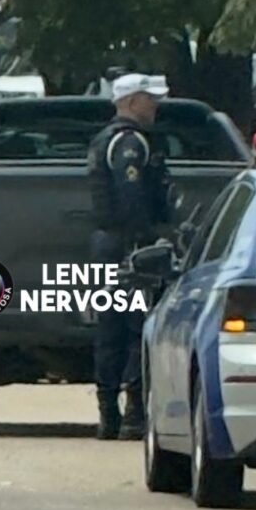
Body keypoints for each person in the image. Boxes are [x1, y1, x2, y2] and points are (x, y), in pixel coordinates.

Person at [87, 73, 174, 440]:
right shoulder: (129, 143)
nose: (155, 105)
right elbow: (132, 197)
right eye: (149, 99)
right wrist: (150, 239)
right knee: (136, 327)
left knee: (110, 329)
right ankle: (133, 412)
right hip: (129, 248)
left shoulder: (105, 139)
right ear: (131, 101)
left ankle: (109, 414)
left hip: (108, 244)